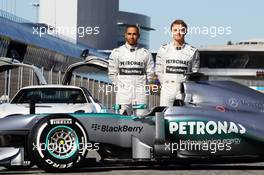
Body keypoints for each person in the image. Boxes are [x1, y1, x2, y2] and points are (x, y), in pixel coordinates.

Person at [108, 24, 154, 116]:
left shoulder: (146, 53)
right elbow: (112, 73)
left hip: (140, 94)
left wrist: (143, 86)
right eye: (129, 34)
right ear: (125, 35)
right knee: (121, 121)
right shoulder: (117, 52)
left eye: (134, 34)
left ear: (138, 36)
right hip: (123, 94)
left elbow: (150, 73)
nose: (132, 36)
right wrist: (121, 86)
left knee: (142, 121)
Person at [156, 19, 200, 107]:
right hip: (167, 88)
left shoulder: (193, 51)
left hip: (184, 89)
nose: (178, 33)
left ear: (185, 32)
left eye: (181, 30)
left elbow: (195, 73)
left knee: (183, 116)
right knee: (164, 114)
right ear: (171, 32)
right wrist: (165, 84)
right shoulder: (163, 49)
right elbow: (158, 70)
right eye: (175, 30)